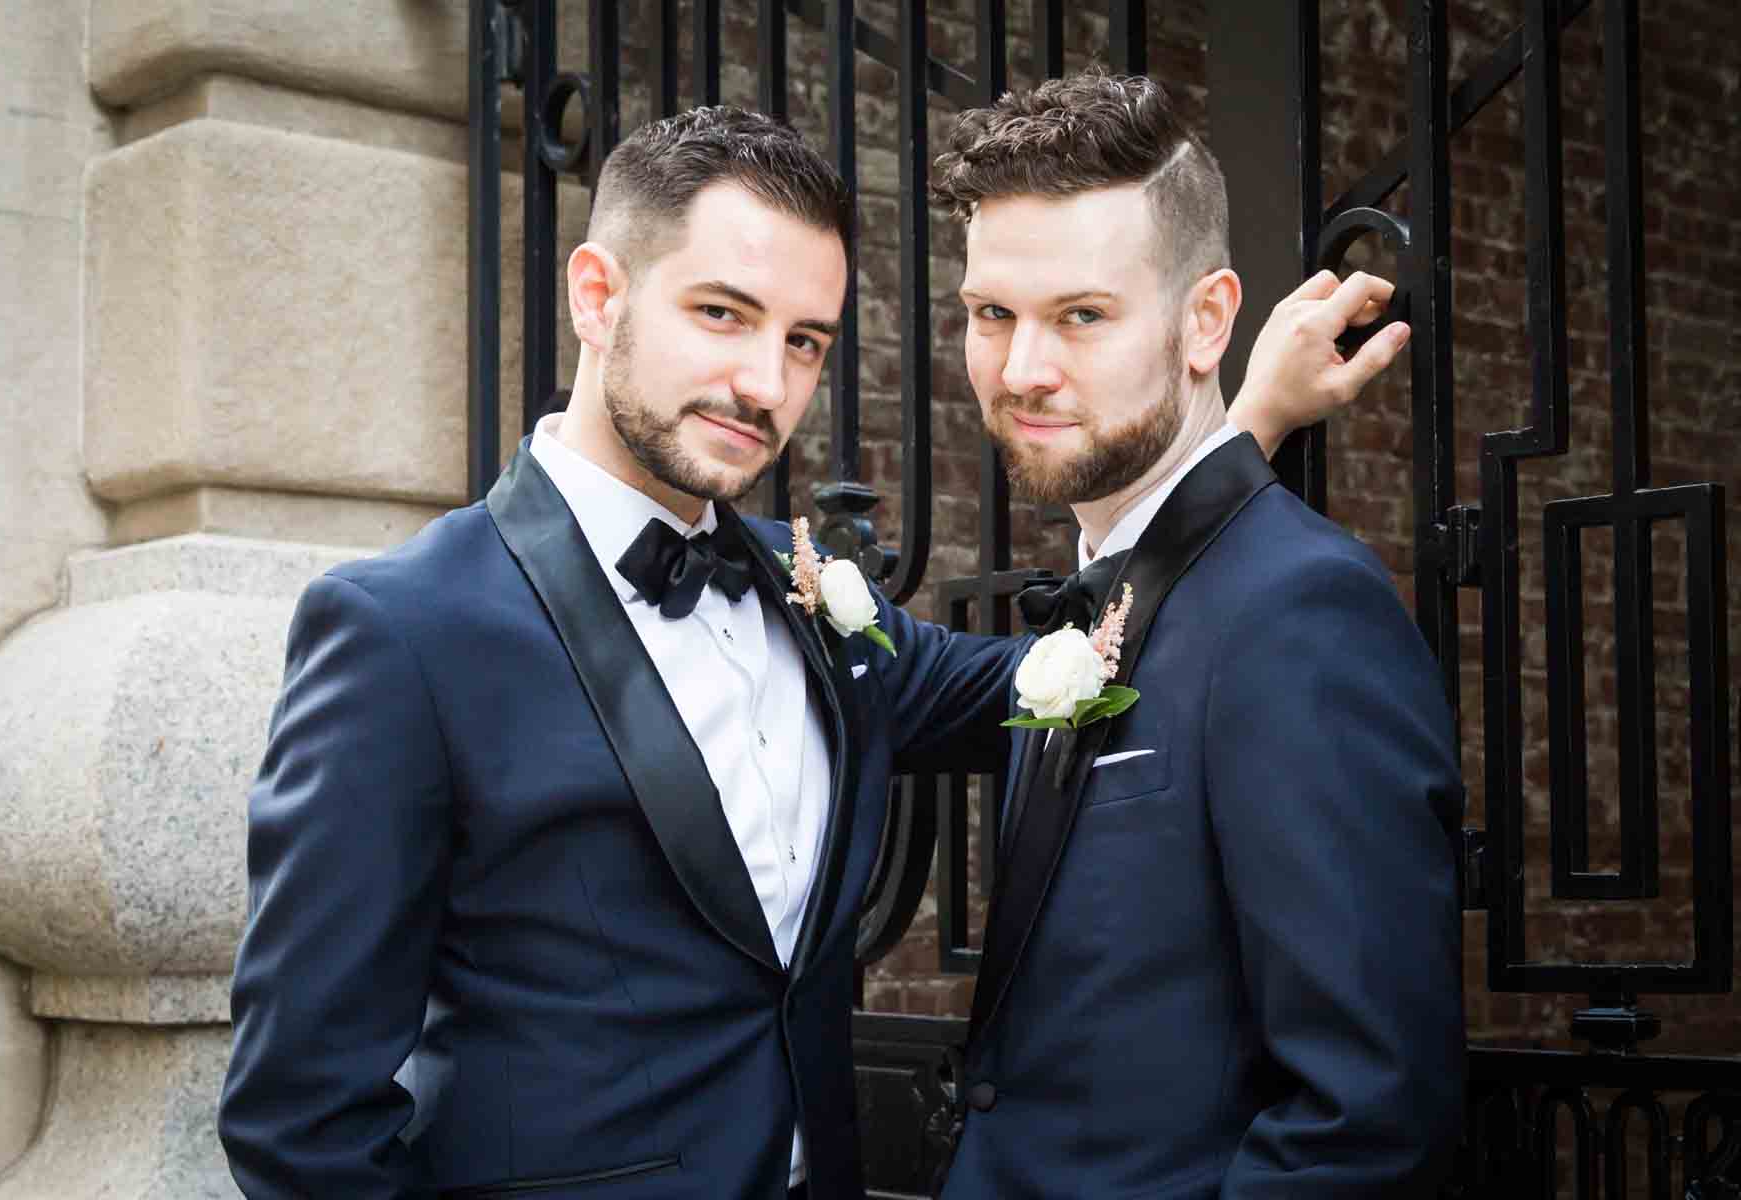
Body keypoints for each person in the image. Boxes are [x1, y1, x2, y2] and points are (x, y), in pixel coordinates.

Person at [218, 105, 1400, 1200]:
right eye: (721, 314)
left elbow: (1108, 654)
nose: (761, 385)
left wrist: (1238, 418)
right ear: (596, 291)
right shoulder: (400, 631)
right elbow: (302, 1118)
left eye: (805, 342)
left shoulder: (824, 619)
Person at [931, 70, 1465, 1199]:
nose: (1023, 370)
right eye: (992, 315)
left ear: (1207, 320)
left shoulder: (1300, 617)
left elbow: (1360, 1117)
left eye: (1082, 315)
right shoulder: (1115, 596)